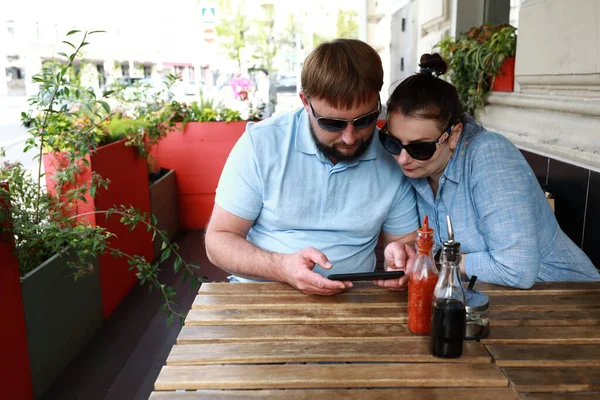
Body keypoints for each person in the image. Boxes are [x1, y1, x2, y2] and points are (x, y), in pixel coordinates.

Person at [205, 39, 420, 295]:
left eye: (365, 120)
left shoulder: (393, 154)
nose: (350, 138)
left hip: (355, 298)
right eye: (332, 123)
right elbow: (218, 240)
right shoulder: (262, 144)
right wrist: (282, 267)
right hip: (262, 294)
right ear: (305, 102)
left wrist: (402, 256)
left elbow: (404, 241)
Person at [380, 53, 600, 289]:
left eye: (420, 147)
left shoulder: (489, 155)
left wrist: (434, 260)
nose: (403, 158)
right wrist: (407, 255)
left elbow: (516, 269)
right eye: (393, 143)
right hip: (482, 302)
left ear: (453, 136)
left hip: (565, 297)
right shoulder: (421, 170)